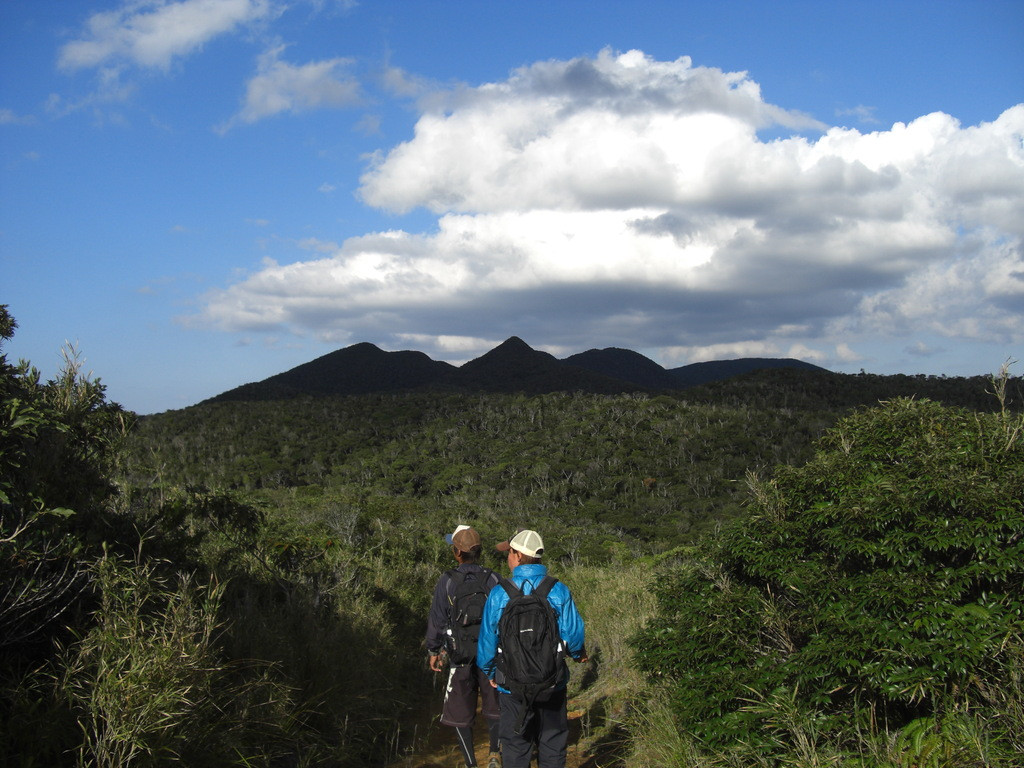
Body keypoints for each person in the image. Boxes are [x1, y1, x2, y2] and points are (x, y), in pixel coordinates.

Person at [476, 529, 588, 768]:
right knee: (552, 743)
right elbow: (573, 636)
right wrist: (578, 655)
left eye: (509, 552)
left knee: (516, 746)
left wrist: (490, 671)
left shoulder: (499, 593)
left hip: (511, 686)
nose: (507, 557)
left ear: (517, 556)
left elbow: (487, 640)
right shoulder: (558, 590)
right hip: (552, 682)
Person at [425, 525, 503, 768]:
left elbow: (437, 618)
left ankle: (471, 763)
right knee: (496, 706)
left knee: (460, 711)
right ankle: (494, 752)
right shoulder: (493, 578)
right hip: (491, 655)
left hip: (459, 656)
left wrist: (434, 649)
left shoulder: (447, 581)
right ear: (479, 552)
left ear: (456, 552)